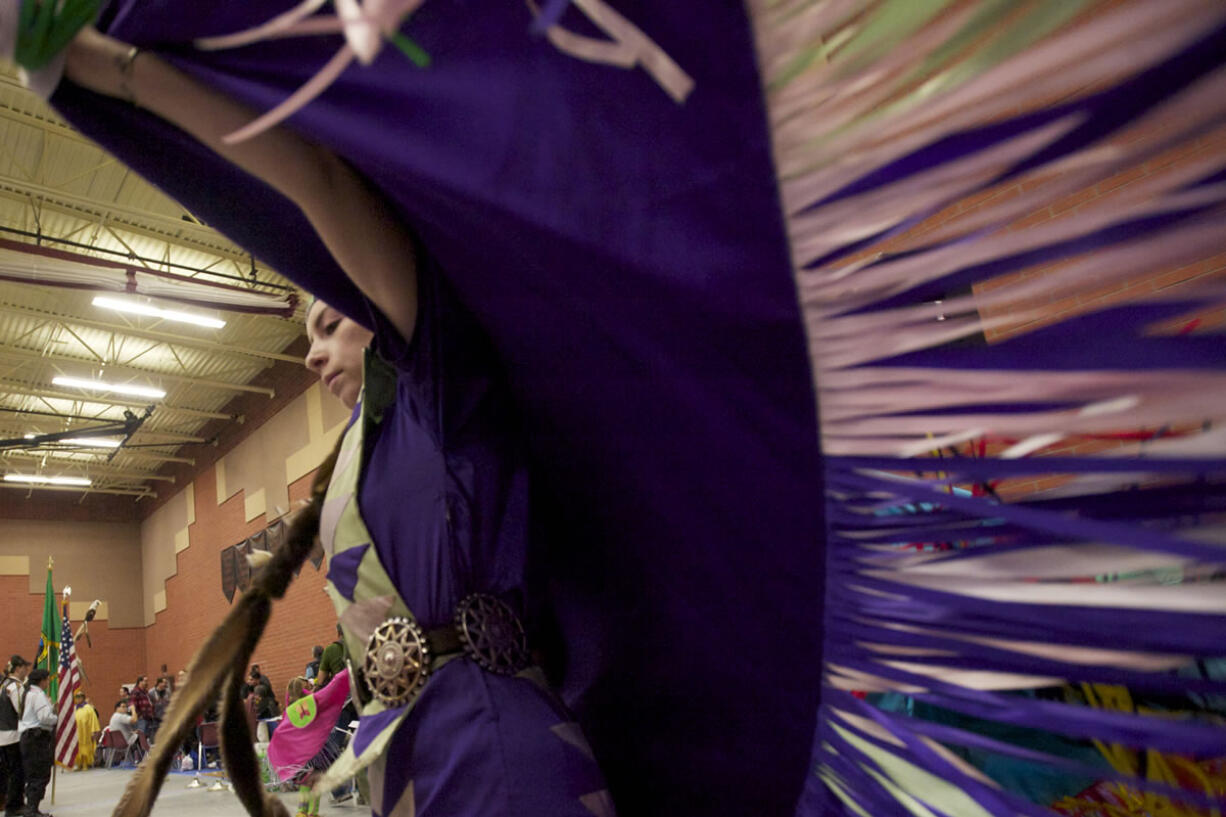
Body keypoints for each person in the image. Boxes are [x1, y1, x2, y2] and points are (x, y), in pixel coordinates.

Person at [57, 24, 608, 816]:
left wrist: (122, 74)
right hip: (411, 763)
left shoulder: (443, 387)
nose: (312, 356)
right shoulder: (357, 458)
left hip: (500, 762)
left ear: (374, 312)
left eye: (327, 324)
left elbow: (312, 177)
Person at [269, 672, 352, 817]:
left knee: (304, 782)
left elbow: (283, 727)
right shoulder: (312, 702)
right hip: (320, 749)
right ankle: (313, 813)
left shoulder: (289, 711)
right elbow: (326, 698)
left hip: (300, 753)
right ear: (304, 690)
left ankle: (301, 812)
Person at [18, 669, 55, 817]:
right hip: (37, 737)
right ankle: (32, 809)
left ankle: (32, 807)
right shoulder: (38, 695)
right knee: (40, 773)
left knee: (33, 773)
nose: (48, 682)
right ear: (41, 680)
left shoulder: (27, 694)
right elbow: (44, 717)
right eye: (47, 679)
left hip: (27, 737)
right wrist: (56, 718)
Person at [0, 657, 29, 817]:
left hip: (2, 734)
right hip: (13, 734)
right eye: (25, 667)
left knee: (8, 771)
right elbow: (22, 711)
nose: (26, 671)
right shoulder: (16, 686)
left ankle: (9, 803)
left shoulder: (3, 684)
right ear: (18, 668)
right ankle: (14, 805)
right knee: (17, 772)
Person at [71, 692, 99, 771]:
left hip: (86, 731)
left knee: (86, 747)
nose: (78, 699)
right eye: (77, 697)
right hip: (76, 732)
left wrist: (93, 731)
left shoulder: (88, 708)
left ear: (83, 698)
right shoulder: (74, 708)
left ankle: (85, 764)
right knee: (77, 747)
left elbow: (93, 719)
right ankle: (78, 763)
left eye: (80, 697)